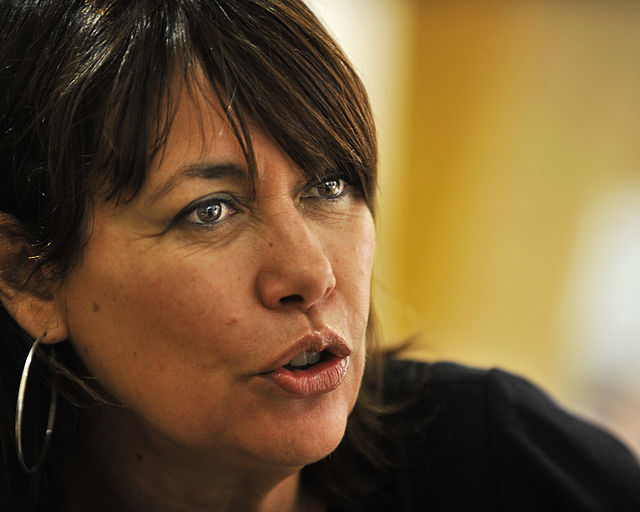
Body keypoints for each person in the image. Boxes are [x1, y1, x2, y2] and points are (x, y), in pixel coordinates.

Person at [0, 1, 638, 511]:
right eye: (209, 211)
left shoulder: (502, 464)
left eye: (329, 186)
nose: (312, 274)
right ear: (30, 276)